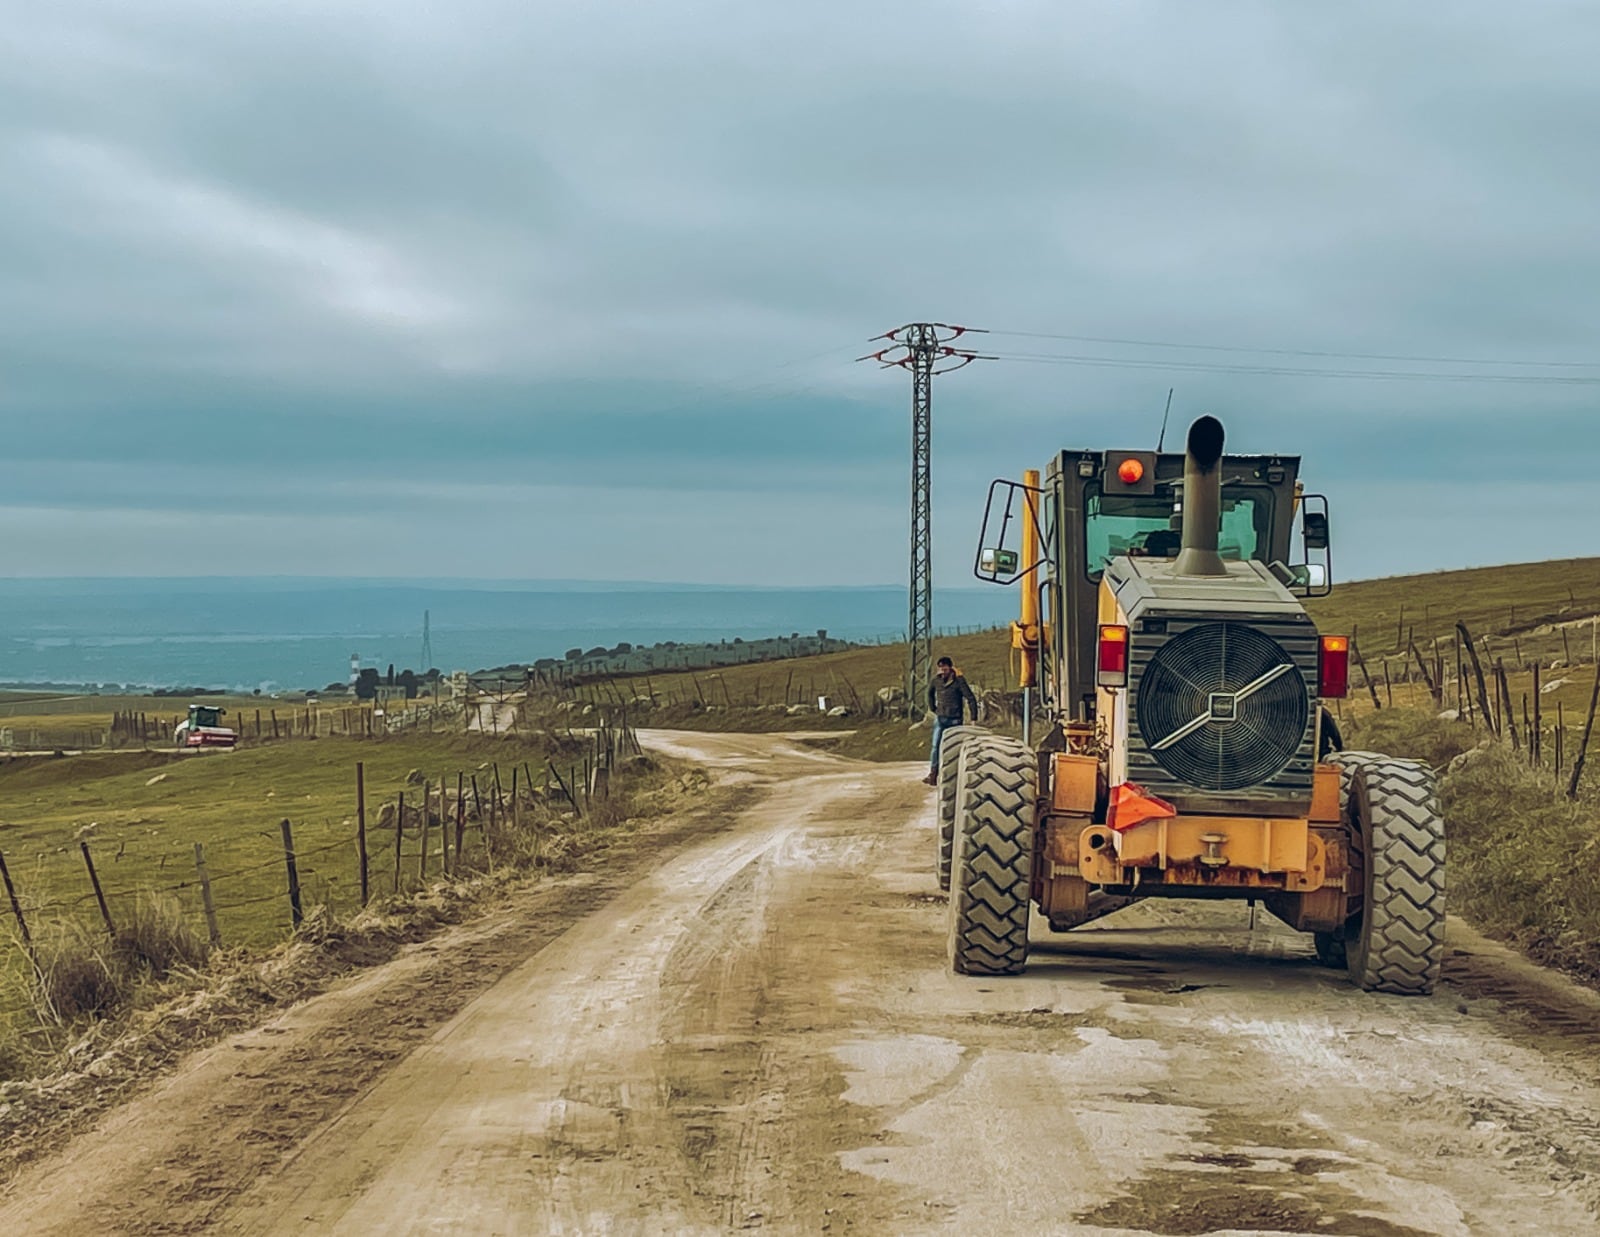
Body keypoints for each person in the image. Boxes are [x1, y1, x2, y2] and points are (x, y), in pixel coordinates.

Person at [923, 656, 979, 785]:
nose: (943, 671)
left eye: (945, 668)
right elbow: (929, 693)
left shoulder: (959, 681)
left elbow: (970, 698)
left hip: (955, 720)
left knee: (954, 748)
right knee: (935, 747)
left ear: (950, 668)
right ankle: (933, 774)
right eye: (940, 668)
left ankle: (952, 775)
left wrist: (973, 718)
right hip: (940, 718)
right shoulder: (936, 681)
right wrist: (933, 709)